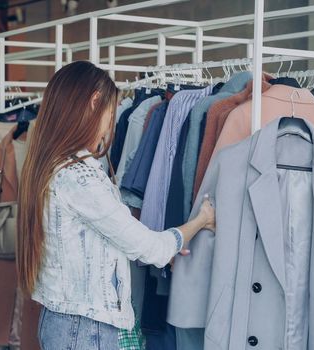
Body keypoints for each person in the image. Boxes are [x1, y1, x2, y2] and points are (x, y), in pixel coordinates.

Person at [16, 61, 215, 349]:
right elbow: (150, 248)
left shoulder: (48, 165)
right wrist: (200, 221)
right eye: (110, 112)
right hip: (85, 330)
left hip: (61, 322)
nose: (109, 127)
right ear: (96, 101)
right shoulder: (80, 177)